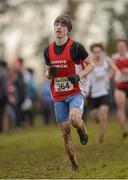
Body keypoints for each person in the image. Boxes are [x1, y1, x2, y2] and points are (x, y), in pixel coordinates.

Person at [43, 14, 95, 171]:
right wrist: (50, 73)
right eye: (56, 24)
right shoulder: (48, 50)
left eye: (62, 25)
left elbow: (91, 64)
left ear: (68, 30)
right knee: (65, 131)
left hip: (75, 91)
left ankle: (82, 130)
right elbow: (47, 74)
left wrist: (79, 75)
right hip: (58, 95)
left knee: (74, 119)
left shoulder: (76, 47)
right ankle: (74, 164)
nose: (58, 27)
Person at [87, 43, 120, 143]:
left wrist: (112, 75)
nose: (97, 54)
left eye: (99, 52)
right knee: (95, 117)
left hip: (104, 92)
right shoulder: (89, 61)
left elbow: (115, 70)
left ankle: (101, 137)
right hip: (92, 94)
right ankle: (97, 121)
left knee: (103, 114)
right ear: (92, 53)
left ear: (102, 52)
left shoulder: (107, 60)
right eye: (95, 52)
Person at [112, 39, 128, 138]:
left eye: (123, 45)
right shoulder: (114, 58)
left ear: (125, 46)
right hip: (120, 86)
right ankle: (124, 129)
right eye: (119, 46)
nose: (121, 47)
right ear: (117, 47)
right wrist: (116, 72)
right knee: (120, 107)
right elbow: (111, 70)